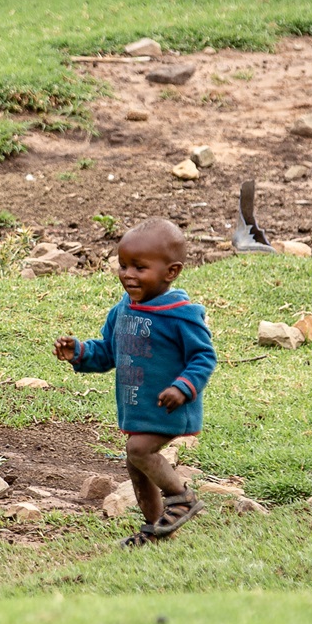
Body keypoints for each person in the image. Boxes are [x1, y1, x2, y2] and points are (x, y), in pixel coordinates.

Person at [53, 218, 218, 543]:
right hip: (138, 408)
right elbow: (108, 352)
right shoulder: (122, 311)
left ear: (171, 272)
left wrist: (183, 388)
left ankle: (182, 498)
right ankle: (157, 528)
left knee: (139, 450)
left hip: (168, 406)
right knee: (136, 463)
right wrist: (80, 352)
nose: (128, 274)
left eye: (140, 268)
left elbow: (203, 357)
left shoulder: (181, 315)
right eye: (123, 265)